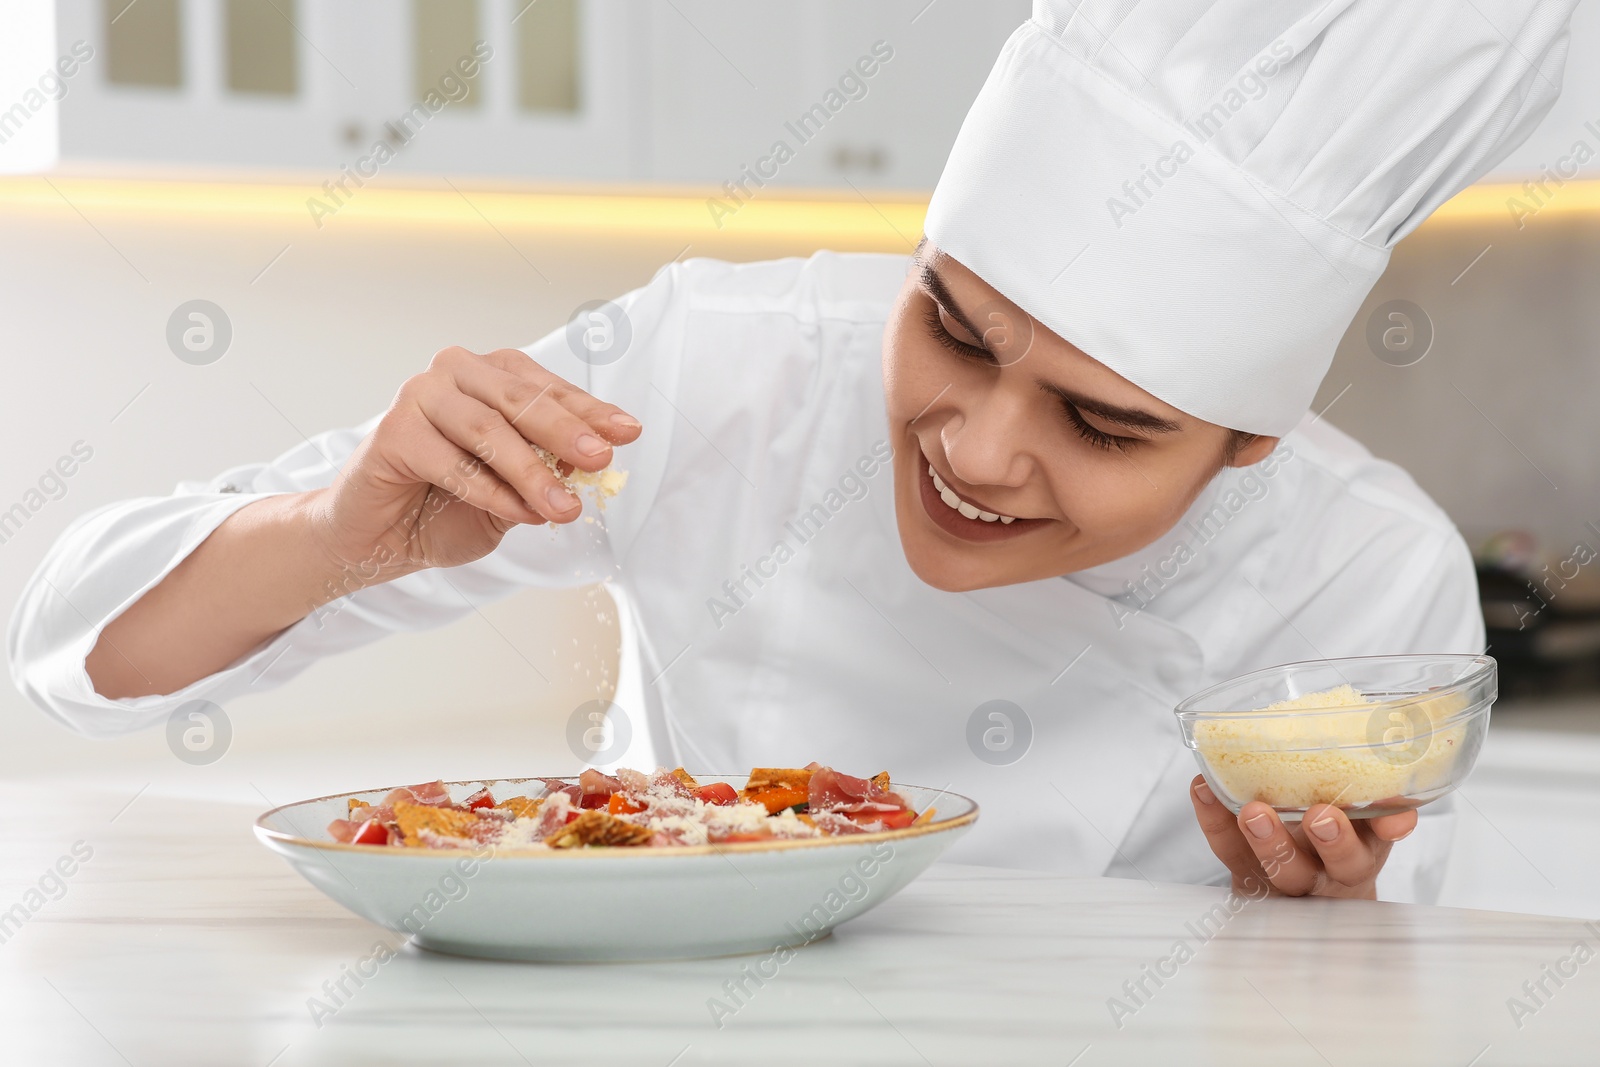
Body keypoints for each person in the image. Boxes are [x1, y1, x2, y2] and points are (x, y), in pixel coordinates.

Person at [10, 0, 1577, 902]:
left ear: (1250, 446)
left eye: (1105, 424)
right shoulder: (717, 370)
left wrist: (1318, 924)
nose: (976, 448)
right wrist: (339, 535)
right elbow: (76, 655)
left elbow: (1386, 1008)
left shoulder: (1369, 577)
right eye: (953, 327)